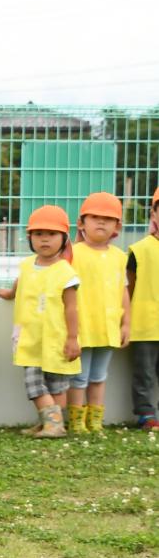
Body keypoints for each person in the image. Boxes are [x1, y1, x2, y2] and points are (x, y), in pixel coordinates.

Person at [0, 205, 81, 438]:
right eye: (38, 234)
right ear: (30, 237)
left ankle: (52, 423)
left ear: (64, 238)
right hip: (31, 338)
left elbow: (72, 308)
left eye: (52, 234)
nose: (45, 239)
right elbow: (20, 283)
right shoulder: (26, 265)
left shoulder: (66, 273)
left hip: (56, 338)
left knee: (57, 386)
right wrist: (10, 294)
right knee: (34, 383)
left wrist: (73, 338)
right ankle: (50, 422)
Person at [67, 192, 129, 435]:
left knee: (99, 377)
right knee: (79, 379)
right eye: (94, 217)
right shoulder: (73, 253)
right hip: (82, 328)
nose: (101, 222)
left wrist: (126, 324)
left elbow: (123, 292)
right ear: (81, 223)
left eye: (108, 218)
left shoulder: (119, 256)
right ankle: (76, 421)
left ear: (117, 226)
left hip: (108, 327)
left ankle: (94, 421)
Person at [127, 184, 159, 430]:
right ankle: (146, 414)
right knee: (144, 374)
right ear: (154, 213)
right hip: (144, 325)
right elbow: (129, 288)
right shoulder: (139, 250)